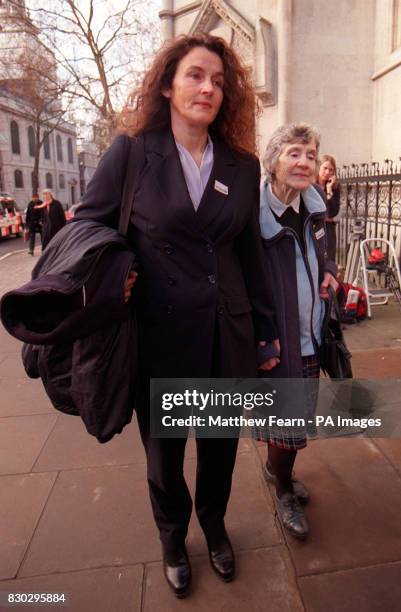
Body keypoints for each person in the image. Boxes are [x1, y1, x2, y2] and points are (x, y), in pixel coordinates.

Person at [74, 34, 279, 597]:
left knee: (219, 450)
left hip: (224, 335)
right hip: (159, 337)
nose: (208, 88)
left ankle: (214, 527)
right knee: (164, 459)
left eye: (218, 80)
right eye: (195, 75)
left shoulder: (243, 165)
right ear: (168, 85)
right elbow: (87, 228)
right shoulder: (133, 153)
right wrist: (117, 276)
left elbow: (248, 253)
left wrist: (265, 332)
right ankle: (173, 536)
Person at [254, 123, 338, 541]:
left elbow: (326, 249)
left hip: (312, 332)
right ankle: (283, 488)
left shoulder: (315, 203)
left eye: (310, 154)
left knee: (296, 419)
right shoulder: (254, 214)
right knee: (287, 423)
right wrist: (260, 336)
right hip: (277, 338)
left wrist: (330, 273)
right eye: (294, 153)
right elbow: (242, 282)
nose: (304, 162)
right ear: (274, 161)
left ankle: (276, 469)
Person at [318, 154, 340, 261]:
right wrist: (324, 217)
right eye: (325, 168)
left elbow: (332, 213)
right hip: (314, 227)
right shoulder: (311, 185)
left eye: (331, 170)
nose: (327, 172)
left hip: (329, 230)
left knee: (329, 259)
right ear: (318, 167)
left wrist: (329, 190)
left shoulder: (335, 187)